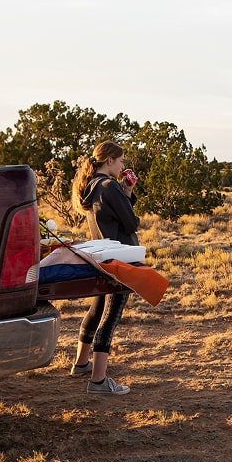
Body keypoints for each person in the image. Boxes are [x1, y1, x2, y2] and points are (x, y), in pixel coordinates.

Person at [69, 140, 140, 395]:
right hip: (118, 259)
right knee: (111, 315)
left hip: (100, 256)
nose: (122, 165)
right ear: (109, 160)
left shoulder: (92, 186)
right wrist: (127, 193)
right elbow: (131, 223)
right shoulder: (110, 187)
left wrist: (126, 193)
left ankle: (81, 364)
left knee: (97, 308)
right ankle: (98, 380)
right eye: (121, 161)